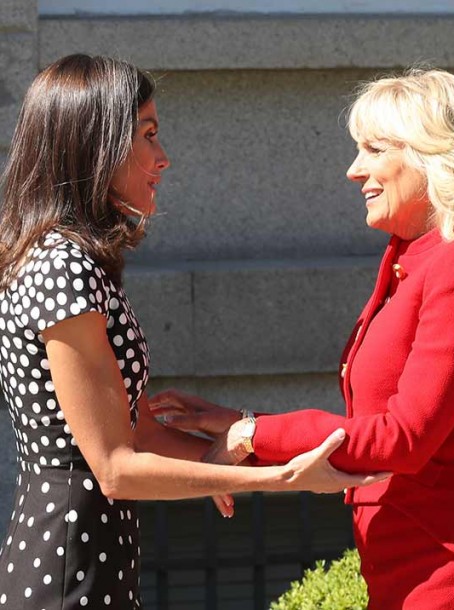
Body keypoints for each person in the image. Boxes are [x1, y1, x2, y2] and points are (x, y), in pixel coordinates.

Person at [0, 54, 384, 609]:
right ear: (96, 144)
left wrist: (232, 456)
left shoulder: (71, 258)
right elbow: (112, 467)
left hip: (86, 550)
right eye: (148, 135)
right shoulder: (62, 265)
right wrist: (283, 481)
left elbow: (139, 433)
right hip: (67, 563)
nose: (164, 158)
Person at [154, 68, 454, 609]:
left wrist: (252, 434)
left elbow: (403, 438)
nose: (353, 169)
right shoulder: (412, 253)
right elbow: (373, 423)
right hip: (405, 563)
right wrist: (243, 423)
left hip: (453, 570)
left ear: (433, 155)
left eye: (373, 149)